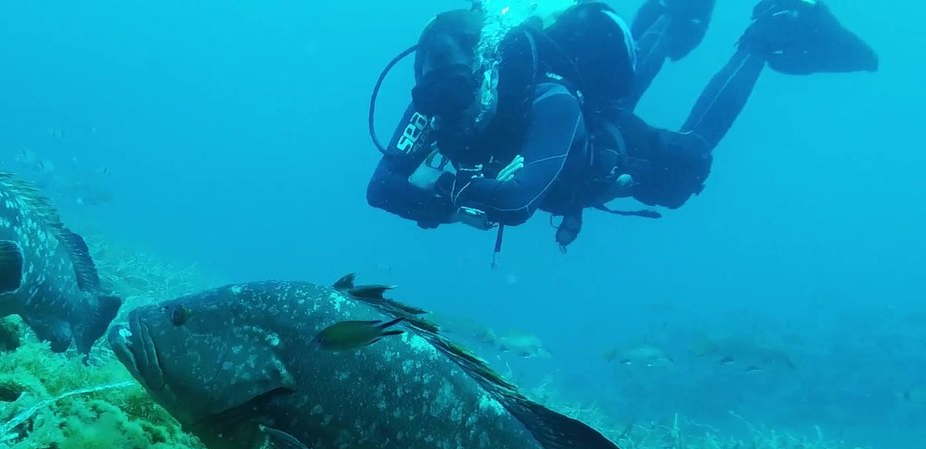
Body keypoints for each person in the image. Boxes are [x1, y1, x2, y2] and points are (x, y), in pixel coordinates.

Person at [365, 0, 878, 256]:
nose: (450, 113)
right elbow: (380, 188)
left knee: (685, 162)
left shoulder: (550, 98)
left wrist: (450, 189)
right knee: (618, 94)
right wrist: (445, 205)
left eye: (458, 95)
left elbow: (518, 202)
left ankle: (770, 31)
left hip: (598, 156)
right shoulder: (434, 101)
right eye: (436, 99)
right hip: (579, 138)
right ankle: (673, 16)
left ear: (484, 73)